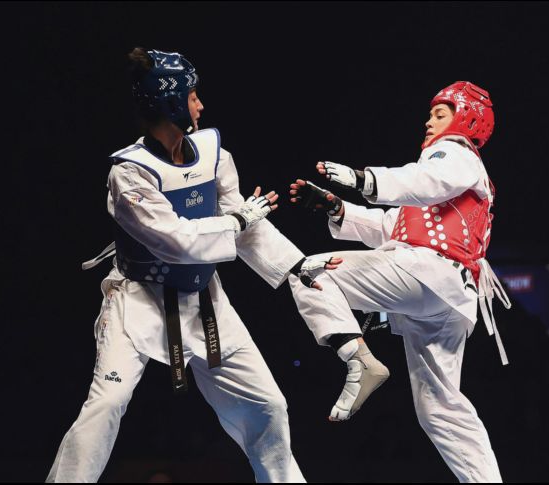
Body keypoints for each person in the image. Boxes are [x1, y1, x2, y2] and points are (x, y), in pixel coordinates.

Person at [47, 47, 338, 483]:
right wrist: (237, 218)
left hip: (205, 304)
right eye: (194, 96)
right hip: (138, 301)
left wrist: (296, 265)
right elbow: (177, 242)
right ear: (170, 102)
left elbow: (246, 227)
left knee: (269, 406)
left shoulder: (213, 154)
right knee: (106, 404)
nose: (201, 105)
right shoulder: (129, 173)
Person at [289, 81, 511, 482]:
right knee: (440, 410)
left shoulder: (454, 153)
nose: (428, 122)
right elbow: (395, 226)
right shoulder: (446, 178)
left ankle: (360, 359)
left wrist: (363, 179)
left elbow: (421, 182)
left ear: (464, 120)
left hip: (429, 276)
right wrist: (338, 208)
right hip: (448, 297)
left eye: (439, 114)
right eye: (430, 115)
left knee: (310, 271)